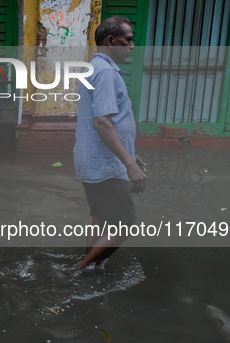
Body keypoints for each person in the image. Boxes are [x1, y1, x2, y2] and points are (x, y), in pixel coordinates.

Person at [73, 16, 147, 270]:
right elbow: (102, 122)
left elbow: (110, 121)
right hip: (105, 165)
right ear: (111, 40)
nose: (132, 46)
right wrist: (129, 164)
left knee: (101, 218)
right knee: (124, 223)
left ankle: (90, 266)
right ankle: (79, 270)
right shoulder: (104, 72)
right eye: (128, 40)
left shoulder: (96, 68)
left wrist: (129, 154)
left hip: (97, 160)